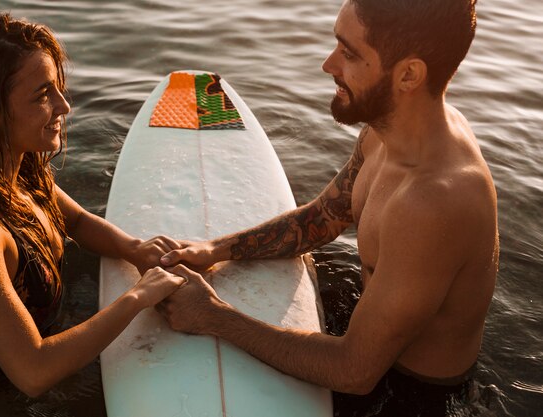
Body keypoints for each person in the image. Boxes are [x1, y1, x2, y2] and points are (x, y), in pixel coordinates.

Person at [157, 0, 498, 415]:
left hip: (413, 397)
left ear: (408, 74)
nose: (327, 64)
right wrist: (216, 250)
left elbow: (355, 372)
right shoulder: (387, 133)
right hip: (374, 344)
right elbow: (323, 218)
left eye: (349, 53)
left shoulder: (435, 202)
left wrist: (212, 316)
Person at [0, 13, 189, 398]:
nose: (64, 106)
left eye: (57, 89)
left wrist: (134, 249)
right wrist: (137, 297)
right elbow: (32, 372)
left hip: (52, 340)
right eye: (42, 95)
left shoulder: (18, 164)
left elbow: (79, 222)